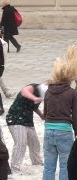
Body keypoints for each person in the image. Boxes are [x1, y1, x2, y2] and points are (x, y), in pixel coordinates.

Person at [43, 46, 77, 180]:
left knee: (49, 166)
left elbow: (45, 113)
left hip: (48, 130)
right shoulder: (72, 92)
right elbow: (75, 114)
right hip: (64, 131)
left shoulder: (48, 91)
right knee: (65, 165)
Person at [6, 84, 45, 172]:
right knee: (21, 143)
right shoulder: (34, 87)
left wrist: (41, 115)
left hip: (27, 120)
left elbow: (33, 107)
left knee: (34, 143)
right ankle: (15, 167)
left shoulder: (42, 94)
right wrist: (34, 98)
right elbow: (24, 91)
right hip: (15, 118)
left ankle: (37, 163)